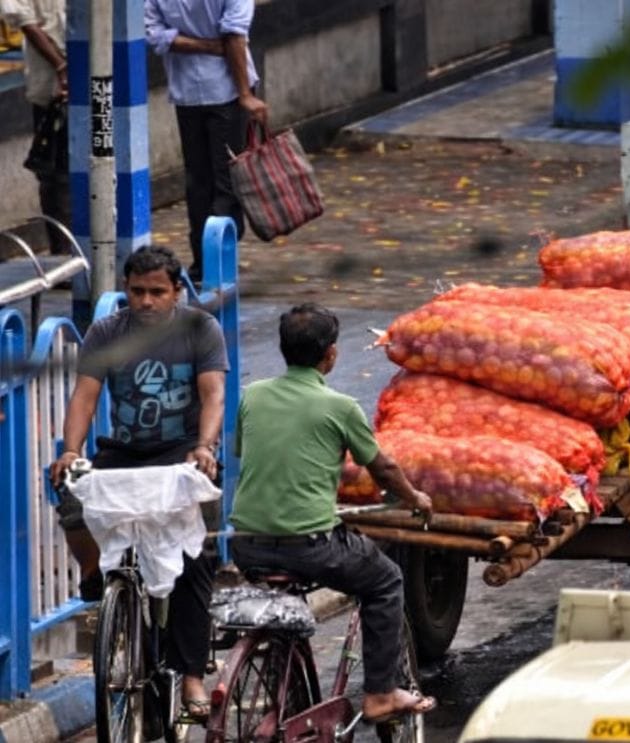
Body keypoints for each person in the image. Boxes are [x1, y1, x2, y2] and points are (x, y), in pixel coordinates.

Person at [229, 304, 437, 721]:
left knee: (283, 609)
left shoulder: (250, 397)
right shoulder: (340, 407)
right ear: (332, 355)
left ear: (283, 349)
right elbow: (384, 468)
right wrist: (415, 499)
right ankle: (381, 693)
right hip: (309, 547)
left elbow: (250, 454)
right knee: (385, 581)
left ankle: (286, 693)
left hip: (246, 545)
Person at [49, 245, 228, 720]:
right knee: (71, 496)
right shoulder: (108, 331)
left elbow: (213, 395)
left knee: (195, 562)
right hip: (123, 453)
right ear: (125, 291)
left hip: (183, 453)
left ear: (176, 293)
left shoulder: (200, 329)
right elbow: (84, 397)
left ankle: (190, 676)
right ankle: (97, 575)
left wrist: (205, 447)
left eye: (157, 292)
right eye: (137, 292)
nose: (146, 302)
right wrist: (71, 450)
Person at [144, 0, 268, 284]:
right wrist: (245, 94)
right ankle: (219, 260)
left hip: (187, 92)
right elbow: (234, 37)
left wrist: (200, 45)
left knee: (199, 181)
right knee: (226, 182)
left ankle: (202, 262)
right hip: (225, 91)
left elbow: (157, 34)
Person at [2, 0, 71, 254]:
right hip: (51, 88)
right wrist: (61, 66)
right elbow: (23, 20)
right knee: (55, 174)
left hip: (92, 82)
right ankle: (63, 253)